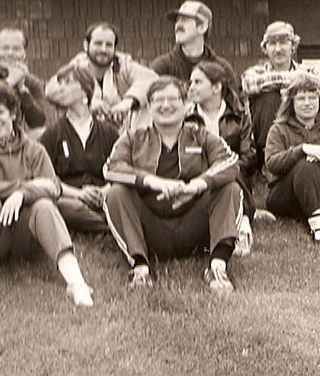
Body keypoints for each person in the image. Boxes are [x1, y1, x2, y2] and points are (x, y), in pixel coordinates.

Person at [0, 81, 95, 307]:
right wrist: (24, 186)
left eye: (0, 112)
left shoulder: (33, 149)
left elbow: (53, 188)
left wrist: (22, 194)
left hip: (22, 234)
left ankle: (75, 281)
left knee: (44, 206)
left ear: (12, 114)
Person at [102, 76, 244, 294]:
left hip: (195, 229)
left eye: (172, 99)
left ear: (186, 104)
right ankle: (140, 267)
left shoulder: (201, 135)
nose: (166, 105)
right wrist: (153, 182)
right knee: (116, 192)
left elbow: (230, 163)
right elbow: (112, 168)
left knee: (229, 187)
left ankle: (217, 266)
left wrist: (197, 185)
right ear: (149, 106)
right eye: (158, 100)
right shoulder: (132, 138)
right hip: (151, 230)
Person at [264, 76, 320, 244]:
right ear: (292, 103)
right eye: (301, 98)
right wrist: (302, 150)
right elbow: (272, 163)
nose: (307, 103)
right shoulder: (279, 129)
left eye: (312, 97)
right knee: (306, 165)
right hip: (287, 197)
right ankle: (318, 226)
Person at [241, 21, 320, 172]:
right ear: (265, 49)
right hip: (270, 139)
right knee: (268, 96)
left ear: (293, 46)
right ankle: (270, 159)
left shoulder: (308, 69)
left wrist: (291, 83)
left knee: (312, 96)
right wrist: (301, 80)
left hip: (305, 133)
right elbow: (249, 85)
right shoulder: (255, 72)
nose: (278, 49)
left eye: (283, 42)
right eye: (272, 43)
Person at [187, 61, 259, 254]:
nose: (191, 87)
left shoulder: (239, 115)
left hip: (235, 176)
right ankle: (243, 219)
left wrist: (222, 171)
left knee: (231, 171)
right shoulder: (186, 118)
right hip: (198, 179)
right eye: (190, 82)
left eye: (197, 82)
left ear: (216, 87)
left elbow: (249, 158)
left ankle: (242, 226)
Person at [39, 65, 118, 233]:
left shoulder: (108, 132)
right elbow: (46, 178)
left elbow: (120, 171)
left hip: (104, 196)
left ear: (84, 90)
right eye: (60, 84)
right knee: (61, 206)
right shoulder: (52, 134)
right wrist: (79, 194)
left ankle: (100, 220)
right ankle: (107, 227)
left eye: (67, 83)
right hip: (70, 198)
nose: (61, 89)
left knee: (122, 197)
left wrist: (104, 191)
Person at [43, 22, 156, 132]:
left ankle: (139, 146)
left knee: (146, 105)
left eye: (108, 45)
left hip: (123, 131)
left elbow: (152, 79)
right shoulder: (76, 68)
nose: (103, 49)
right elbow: (51, 90)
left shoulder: (123, 64)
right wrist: (88, 102)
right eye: (98, 43)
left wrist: (128, 102)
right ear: (86, 45)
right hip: (88, 131)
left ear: (115, 48)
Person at [151, 0, 237, 92]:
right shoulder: (162, 67)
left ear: (202, 27)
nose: (178, 25)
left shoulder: (223, 68)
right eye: (177, 20)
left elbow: (234, 104)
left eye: (184, 20)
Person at [0, 27, 47, 132]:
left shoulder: (32, 82)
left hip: (15, 139)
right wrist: (10, 81)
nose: (10, 53)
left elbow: (38, 122)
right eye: (5, 48)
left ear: (24, 54)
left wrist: (22, 89)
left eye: (16, 49)